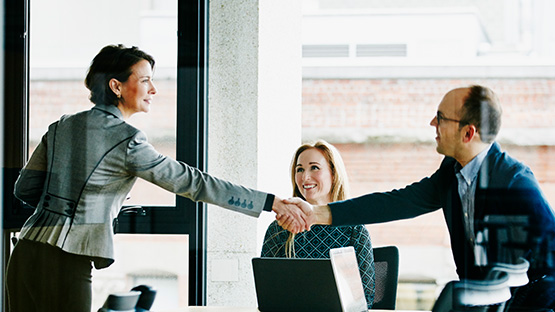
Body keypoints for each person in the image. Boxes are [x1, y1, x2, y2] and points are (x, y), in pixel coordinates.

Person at [6, 44, 304, 312]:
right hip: (67, 262)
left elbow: (25, 188)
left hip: (24, 252)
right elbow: (193, 182)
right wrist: (271, 202)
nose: (153, 89)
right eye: (145, 79)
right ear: (116, 86)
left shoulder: (62, 126)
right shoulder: (127, 140)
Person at [282, 85, 555, 311]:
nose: (432, 123)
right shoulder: (452, 171)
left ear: (468, 133)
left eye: (441, 117)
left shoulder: (514, 182)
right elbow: (397, 202)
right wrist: (314, 214)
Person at [261, 140, 375, 308]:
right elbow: (266, 293)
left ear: (333, 174)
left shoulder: (354, 229)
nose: (305, 177)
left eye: (314, 167)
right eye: (299, 169)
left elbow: (366, 297)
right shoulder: (280, 227)